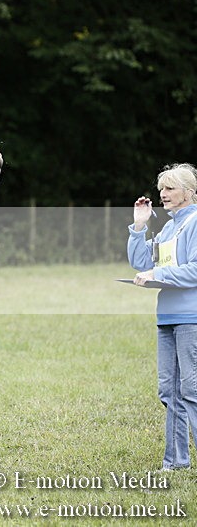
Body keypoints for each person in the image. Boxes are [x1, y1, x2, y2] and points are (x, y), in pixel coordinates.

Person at [128, 162, 197, 470]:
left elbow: (194, 270)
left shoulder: (195, 222)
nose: (163, 194)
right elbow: (141, 261)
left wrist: (159, 274)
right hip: (167, 318)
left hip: (191, 318)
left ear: (188, 192)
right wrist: (139, 226)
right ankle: (175, 462)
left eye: (170, 188)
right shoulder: (169, 227)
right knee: (169, 392)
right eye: (161, 189)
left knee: (192, 390)